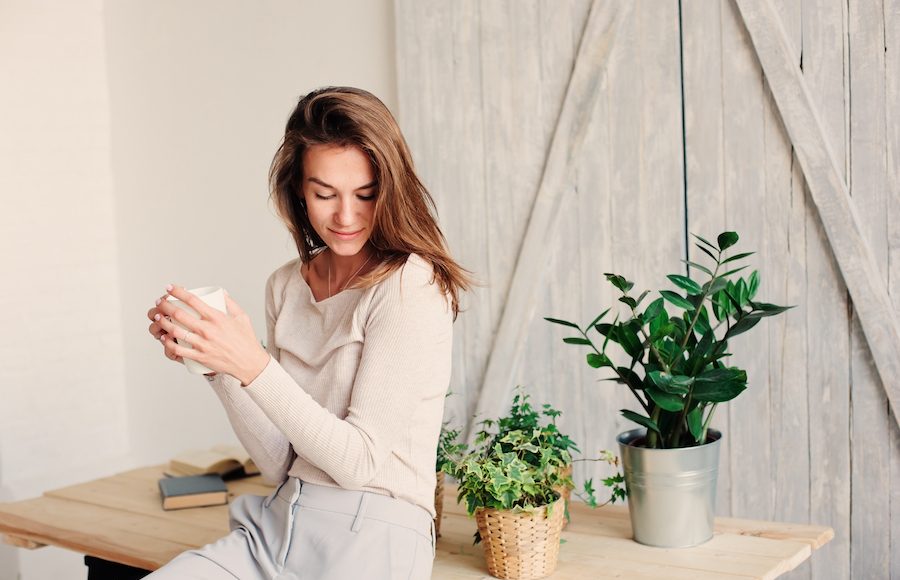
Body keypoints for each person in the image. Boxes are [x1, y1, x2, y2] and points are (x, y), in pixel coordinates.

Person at [145, 86, 470, 579]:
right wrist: (219, 365)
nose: (345, 216)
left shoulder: (410, 283)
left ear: (391, 188)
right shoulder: (286, 285)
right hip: (275, 528)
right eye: (324, 193)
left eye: (366, 194)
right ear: (298, 188)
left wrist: (253, 364)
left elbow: (358, 462)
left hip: (372, 537)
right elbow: (281, 462)